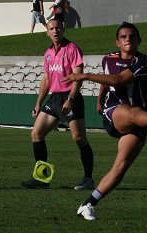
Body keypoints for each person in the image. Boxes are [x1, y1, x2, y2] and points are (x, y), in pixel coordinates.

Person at [63, 22, 147, 221]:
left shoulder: (144, 61)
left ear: (139, 41)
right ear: (117, 42)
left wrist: (84, 75)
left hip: (139, 121)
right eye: (124, 37)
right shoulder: (108, 58)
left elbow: (118, 80)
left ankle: (88, 204)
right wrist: (100, 99)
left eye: (132, 36)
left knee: (120, 168)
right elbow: (108, 79)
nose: (128, 39)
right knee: (130, 111)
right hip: (115, 114)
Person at [21, 18, 94, 190]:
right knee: (36, 134)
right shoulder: (47, 53)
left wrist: (71, 99)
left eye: (58, 28)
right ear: (47, 32)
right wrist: (38, 102)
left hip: (70, 98)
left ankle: (88, 179)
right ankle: (41, 179)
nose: (55, 31)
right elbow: (46, 80)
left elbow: (78, 78)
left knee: (79, 138)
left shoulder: (72, 49)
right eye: (51, 28)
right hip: (54, 99)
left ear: (63, 29)